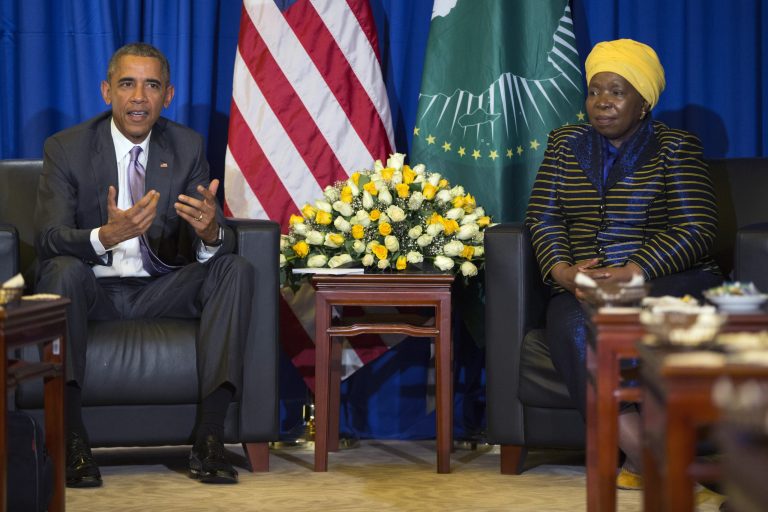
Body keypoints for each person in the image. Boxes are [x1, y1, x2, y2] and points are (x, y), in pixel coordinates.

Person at [34, 42, 254, 487]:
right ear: (106, 91)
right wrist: (105, 236)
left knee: (235, 268)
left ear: (167, 95)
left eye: (151, 85)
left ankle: (209, 439)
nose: (139, 97)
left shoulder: (187, 145)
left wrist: (211, 232)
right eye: (127, 84)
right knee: (61, 270)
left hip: (161, 289)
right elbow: (49, 238)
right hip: (93, 291)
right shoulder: (66, 148)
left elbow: (214, 233)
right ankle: (72, 440)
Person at [525, 39, 722, 488]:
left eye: (616, 91)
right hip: (581, 285)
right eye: (595, 91)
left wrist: (635, 269)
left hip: (669, 280)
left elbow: (698, 229)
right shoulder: (563, 143)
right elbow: (544, 215)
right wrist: (561, 271)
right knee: (572, 320)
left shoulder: (676, 146)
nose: (602, 103)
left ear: (644, 101)